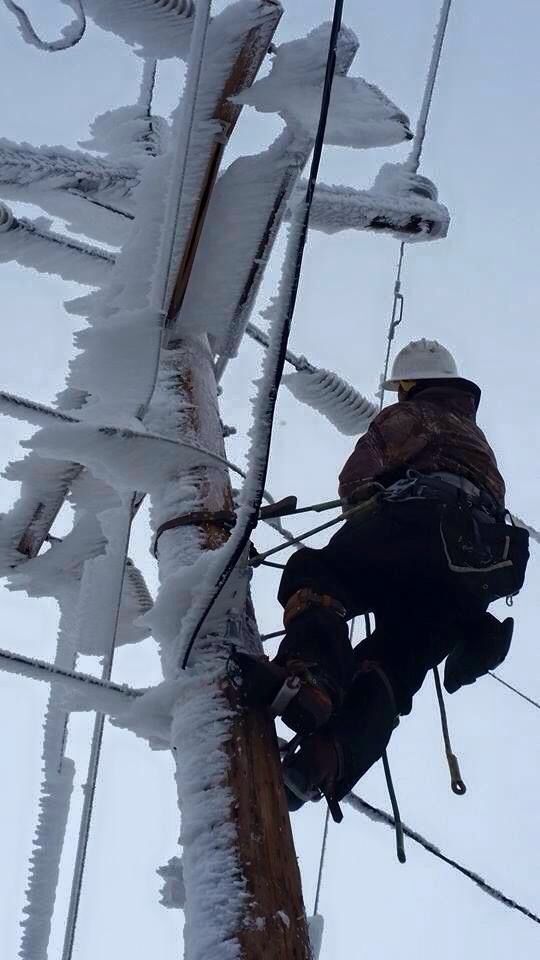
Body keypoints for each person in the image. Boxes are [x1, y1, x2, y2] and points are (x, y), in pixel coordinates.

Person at [235, 339, 529, 818]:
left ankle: (309, 681)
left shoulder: (416, 415)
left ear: (411, 385)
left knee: (321, 573)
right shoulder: (480, 447)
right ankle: (327, 759)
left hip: (420, 525)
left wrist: (366, 502)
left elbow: (358, 478)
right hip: (473, 573)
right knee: (394, 663)